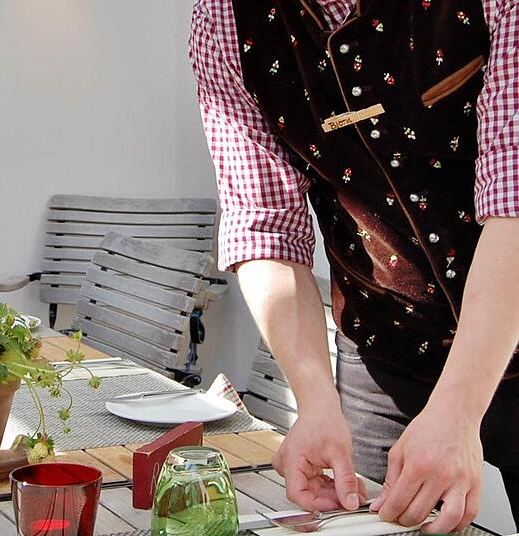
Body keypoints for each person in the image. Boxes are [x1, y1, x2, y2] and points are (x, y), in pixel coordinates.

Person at [190, 0, 519, 531]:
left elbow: (516, 203)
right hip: (386, 352)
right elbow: (266, 227)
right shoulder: (223, 19)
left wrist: (457, 409)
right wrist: (315, 401)